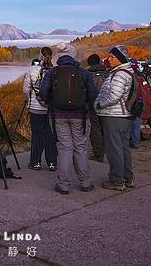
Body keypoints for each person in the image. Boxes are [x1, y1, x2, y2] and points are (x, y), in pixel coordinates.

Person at [39, 43, 97, 194]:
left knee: (64, 148)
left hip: (58, 116)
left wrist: (52, 103)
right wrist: (86, 107)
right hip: (80, 117)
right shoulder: (83, 73)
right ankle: (85, 182)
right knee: (80, 148)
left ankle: (63, 184)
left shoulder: (52, 72)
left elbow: (43, 93)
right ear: (73, 56)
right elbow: (93, 95)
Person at [94, 45, 136, 191]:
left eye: (112, 57)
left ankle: (116, 180)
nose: (109, 59)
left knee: (114, 149)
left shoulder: (119, 74)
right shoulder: (126, 71)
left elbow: (114, 96)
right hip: (124, 116)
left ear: (120, 58)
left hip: (114, 115)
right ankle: (128, 177)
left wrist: (99, 104)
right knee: (123, 148)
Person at [23, 47, 56, 171]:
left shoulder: (32, 70)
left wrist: (28, 100)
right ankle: (52, 162)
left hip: (35, 108)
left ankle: (36, 162)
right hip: (51, 108)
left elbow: (26, 90)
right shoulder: (55, 70)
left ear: (40, 56)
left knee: (37, 135)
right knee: (50, 135)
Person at [86, 54, 108, 162]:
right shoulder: (108, 73)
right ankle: (107, 151)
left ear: (89, 63)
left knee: (95, 129)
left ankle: (98, 153)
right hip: (107, 105)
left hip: (93, 105)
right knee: (106, 129)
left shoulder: (87, 74)